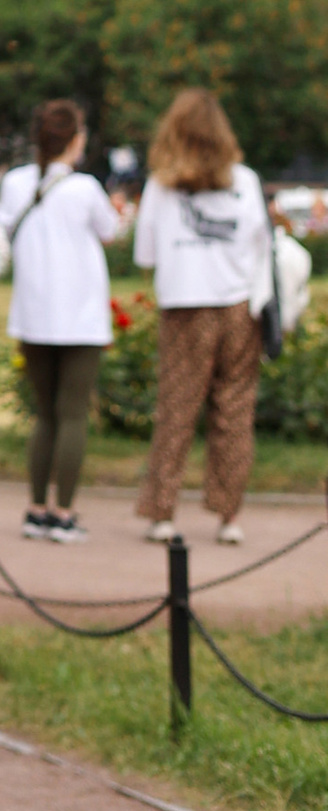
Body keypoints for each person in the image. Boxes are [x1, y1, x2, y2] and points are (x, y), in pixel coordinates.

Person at [134, 86, 272, 549]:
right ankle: (229, 515)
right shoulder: (245, 181)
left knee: (176, 409)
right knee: (234, 411)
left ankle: (162, 513)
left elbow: (145, 254)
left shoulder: (160, 185)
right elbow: (260, 246)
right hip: (238, 305)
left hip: (184, 307)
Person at [0, 98, 122, 541]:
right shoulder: (85, 188)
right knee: (73, 415)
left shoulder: (15, 183)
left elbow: (5, 230)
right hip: (81, 316)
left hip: (33, 313)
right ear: (74, 139)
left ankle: (34, 508)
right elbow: (111, 231)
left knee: (44, 415)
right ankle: (63, 512)